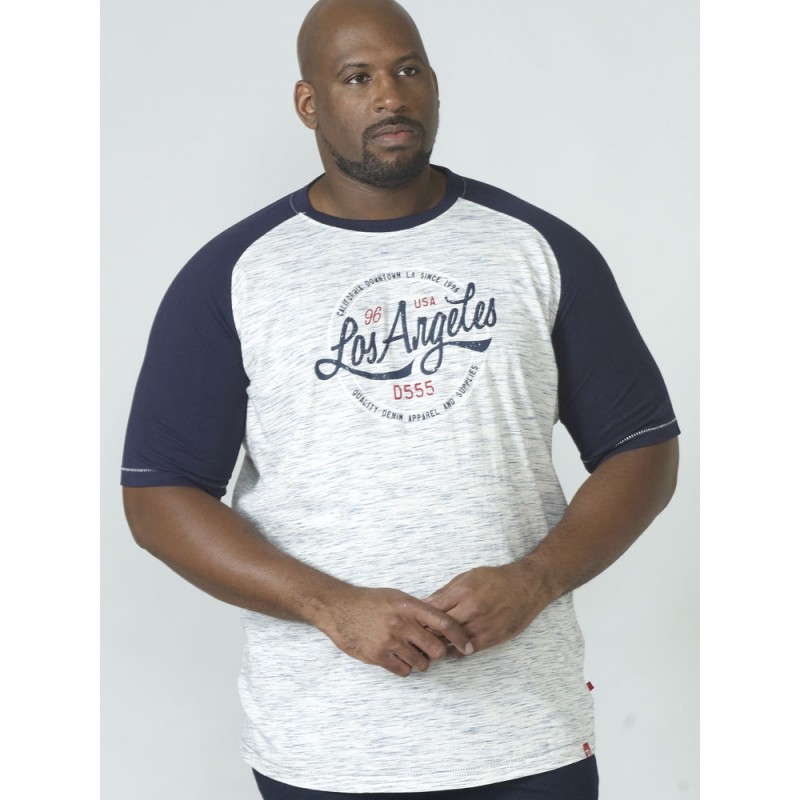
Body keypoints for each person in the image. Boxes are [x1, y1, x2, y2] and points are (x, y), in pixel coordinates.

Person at [121, 0, 680, 797]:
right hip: (325, 748)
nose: (390, 95)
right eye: (357, 77)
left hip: (528, 736)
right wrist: (329, 605)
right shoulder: (237, 274)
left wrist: (536, 580)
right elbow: (158, 495)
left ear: (435, 85)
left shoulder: (536, 250)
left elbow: (643, 448)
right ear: (309, 102)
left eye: (407, 70)